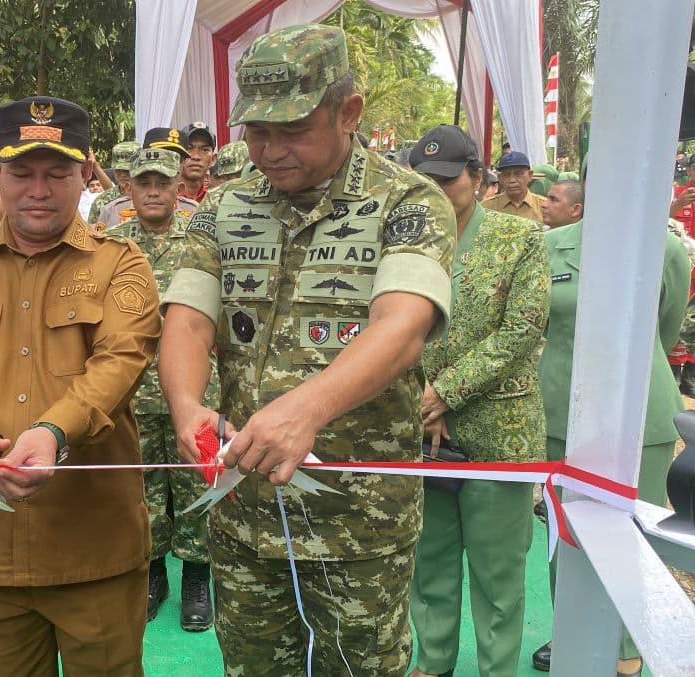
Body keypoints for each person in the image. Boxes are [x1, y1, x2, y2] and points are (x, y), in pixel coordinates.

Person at [157, 24, 455, 675]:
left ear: (349, 113)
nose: (268, 149)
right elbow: (187, 321)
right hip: (242, 517)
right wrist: (185, 405)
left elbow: (402, 326)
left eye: (291, 130)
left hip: (360, 523)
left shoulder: (407, 202)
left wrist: (305, 409)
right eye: (255, 131)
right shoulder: (223, 206)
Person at [0, 95, 161, 675]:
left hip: (93, 547)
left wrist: (52, 432)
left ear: (85, 173)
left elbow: (121, 360)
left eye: (58, 173)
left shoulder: (122, 262)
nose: (38, 190)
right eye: (21, 173)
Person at [404, 125, 549, 677]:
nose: (438, 191)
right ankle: (433, 660)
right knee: (431, 562)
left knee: (497, 574)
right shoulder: (407, 245)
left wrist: (444, 391)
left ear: (477, 177)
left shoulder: (520, 240)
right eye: (426, 180)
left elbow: (521, 333)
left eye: (449, 180)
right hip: (425, 434)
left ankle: (496, 669)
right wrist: (419, 398)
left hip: (499, 432)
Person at [533, 175, 690, 676]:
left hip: (638, 413)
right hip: (562, 411)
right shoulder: (549, 246)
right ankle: (570, 633)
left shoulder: (665, 249)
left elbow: (665, 327)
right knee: (568, 535)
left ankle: (626, 652)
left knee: (635, 537)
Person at [107, 147, 219, 632]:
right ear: (127, 188)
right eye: (143, 182)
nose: (153, 191)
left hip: (192, 393)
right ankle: (153, 576)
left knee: (197, 483)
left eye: (163, 182)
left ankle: (197, 580)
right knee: (143, 490)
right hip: (130, 393)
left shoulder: (201, 244)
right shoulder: (109, 246)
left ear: (180, 188)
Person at [96, 128, 199, 228]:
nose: (167, 162)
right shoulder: (113, 211)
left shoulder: (195, 212)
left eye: (177, 159)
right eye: (161, 154)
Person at [482, 151, 545, 222]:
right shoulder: (486, 208)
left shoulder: (544, 207)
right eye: (506, 175)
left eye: (518, 174)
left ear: (530, 175)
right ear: (499, 178)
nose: (512, 180)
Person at [86, 141, 139, 222]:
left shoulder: (151, 197)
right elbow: (92, 232)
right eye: (118, 170)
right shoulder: (101, 201)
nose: (122, 175)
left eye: (127, 170)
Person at [179, 122, 216, 203]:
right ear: (178, 156)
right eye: (189, 148)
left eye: (205, 150)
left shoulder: (218, 198)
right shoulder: (166, 195)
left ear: (213, 159)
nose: (196, 156)